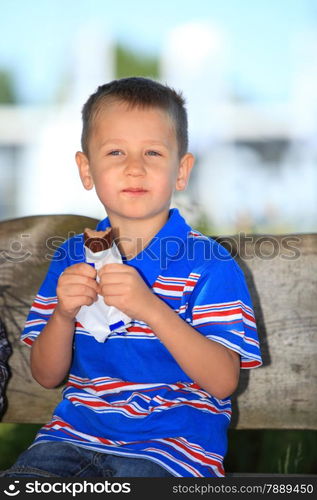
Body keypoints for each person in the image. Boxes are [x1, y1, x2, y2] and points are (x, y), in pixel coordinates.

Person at [1, 77, 262, 478]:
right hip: (69, 438)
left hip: (173, 451)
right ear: (86, 169)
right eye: (116, 151)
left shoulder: (210, 264)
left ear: (181, 170)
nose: (134, 167)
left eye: (153, 152)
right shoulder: (72, 257)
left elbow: (223, 381)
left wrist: (151, 308)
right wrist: (63, 316)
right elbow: (47, 375)